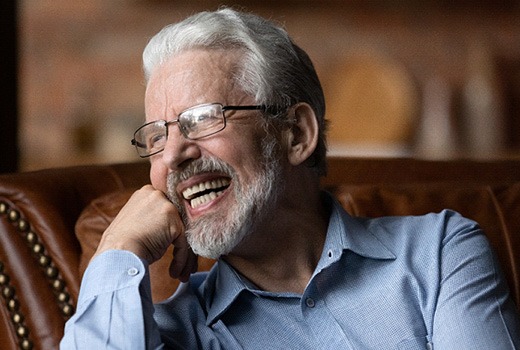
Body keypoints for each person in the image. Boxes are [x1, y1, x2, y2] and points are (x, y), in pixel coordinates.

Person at [61, 8, 520, 349]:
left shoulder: (440, 256)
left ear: (296, 134)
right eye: (158, 136)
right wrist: (117, 249)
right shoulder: (173, 333)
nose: (174, 154)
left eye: (201, 119)